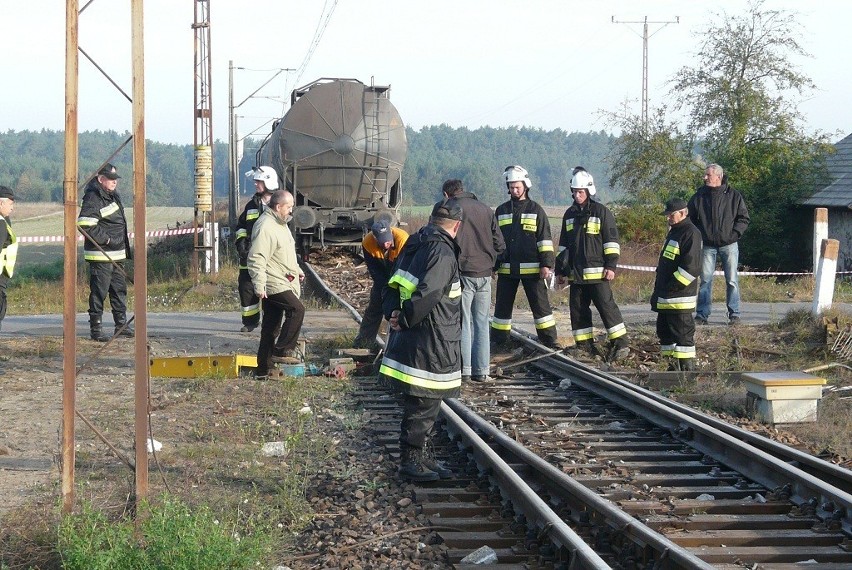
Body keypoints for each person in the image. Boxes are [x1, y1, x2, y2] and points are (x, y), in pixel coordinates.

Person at [380, 199, 463, 482]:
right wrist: (404, 317)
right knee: (423, 403)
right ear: (457, 226)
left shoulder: (416, 242)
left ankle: (423, 456)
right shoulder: (442, 252)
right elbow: (429, 293)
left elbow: (392, 282)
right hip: (432, 338)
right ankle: (411, 460)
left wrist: (393, 312)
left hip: (416, 336)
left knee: (426, 402)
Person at [555, 168, 629, 362]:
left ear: (589, 191)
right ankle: (584, 346)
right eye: (575, 191)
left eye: (581, 192)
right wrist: (561, 271)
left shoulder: (601, 212)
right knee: (578, 310)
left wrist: (611, 266)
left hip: (598, 274)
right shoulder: (569, 215)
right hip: (576, 275)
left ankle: (620, 343)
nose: (577, 195)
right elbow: (563, 245)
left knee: (607, 308)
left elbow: (611, 242)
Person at [439, 179, 505, 382]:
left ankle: (465, 370)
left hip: (464, 272)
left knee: (464, 321)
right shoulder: (485, 209)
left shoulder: (450, 208)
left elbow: (442, 239)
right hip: (485, 273)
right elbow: (500, 244)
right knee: (482, 322)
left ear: (446, 194)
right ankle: (482, 370)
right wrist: (491, 262)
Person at [491, 165, 560, 350]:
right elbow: (495, 240)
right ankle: (499, 341)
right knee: (502, 309)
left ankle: (549, 341)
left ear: (525, 186)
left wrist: (546, 264)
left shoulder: (536, 210)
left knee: (541, 307)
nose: (514, 190)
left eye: (517, 187)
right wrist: (494, 266)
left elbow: (544, 240)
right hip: (507, 268)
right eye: (511, 187)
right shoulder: (501, 210)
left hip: (533, 269)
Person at [247, 190, 306, 380]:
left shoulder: (280, 224)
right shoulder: (266, 226)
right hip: (272, 282)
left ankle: (264, 369)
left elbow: (285, 251)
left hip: (280, 278)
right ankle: (282, 351)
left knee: (271, 327)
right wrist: (259, 285)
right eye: (288, 207)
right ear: (278, 207)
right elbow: (257, 257)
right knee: (297, 309)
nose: (291, 210)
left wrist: (297, 269)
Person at [688, 163, 750, 325]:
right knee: (705, 281)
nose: (705, 178)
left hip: (729, 245)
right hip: (707, 246)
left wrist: (734, 235)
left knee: (732, 280)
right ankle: (702, 315)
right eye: (705, 175)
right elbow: (690, 221)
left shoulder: (734, 196)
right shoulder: (698, 197)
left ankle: (734, 314)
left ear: (718, 176)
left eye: (708, 175)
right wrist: (699, 238)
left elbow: (743, 218)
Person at [77, 163, 133, 342]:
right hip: (101, 255)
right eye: (111, 179)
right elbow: (85, 224)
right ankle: (96, 330)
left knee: (119, 290)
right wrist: (107, 240)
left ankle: (121, 325)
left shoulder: (111, 195)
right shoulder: (93, 197)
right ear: (101, 179)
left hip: (116, 254)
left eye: (115, 179)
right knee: (99, 293)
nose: (114, 182)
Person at [651, 198, 703, 371]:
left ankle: (687, 374)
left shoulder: (691, 233)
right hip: (667, 298)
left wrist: (672, 287)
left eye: (671, 215)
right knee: (665, 335)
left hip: (679, 299)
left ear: (683, 213)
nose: (668, 218)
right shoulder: (675, 232)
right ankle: (671, 371)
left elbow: (691, 268)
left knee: (683, 339)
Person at [352, 220, 409, 349]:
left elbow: (405, 267)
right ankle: (363, 343)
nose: (386, 243)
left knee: (400, 312)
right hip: (382, 278)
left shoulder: (402, 239)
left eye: (388, 240)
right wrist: (386, 290)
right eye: (382, 241)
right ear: (375, 238)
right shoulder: (368, 242)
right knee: (374, 309)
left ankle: (399, 346)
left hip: (401, 279)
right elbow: (375, 271)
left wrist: (394, 293)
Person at [235, 166, 278, 332]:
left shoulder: (279, 204)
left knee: (272, 290)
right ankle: (250, 322)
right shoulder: (251, 205)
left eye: (258, 181)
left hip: (271, 257)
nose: (255, 184)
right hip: (250, 255)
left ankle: (271, 324)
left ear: (267, 182)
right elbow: (241, 226)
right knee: (246, 288)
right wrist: (241, 244)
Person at [0, 186, 17, 333]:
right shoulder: (0, 223)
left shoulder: (4, 221)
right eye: (10, 204)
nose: (12, 208)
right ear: (1, 203)